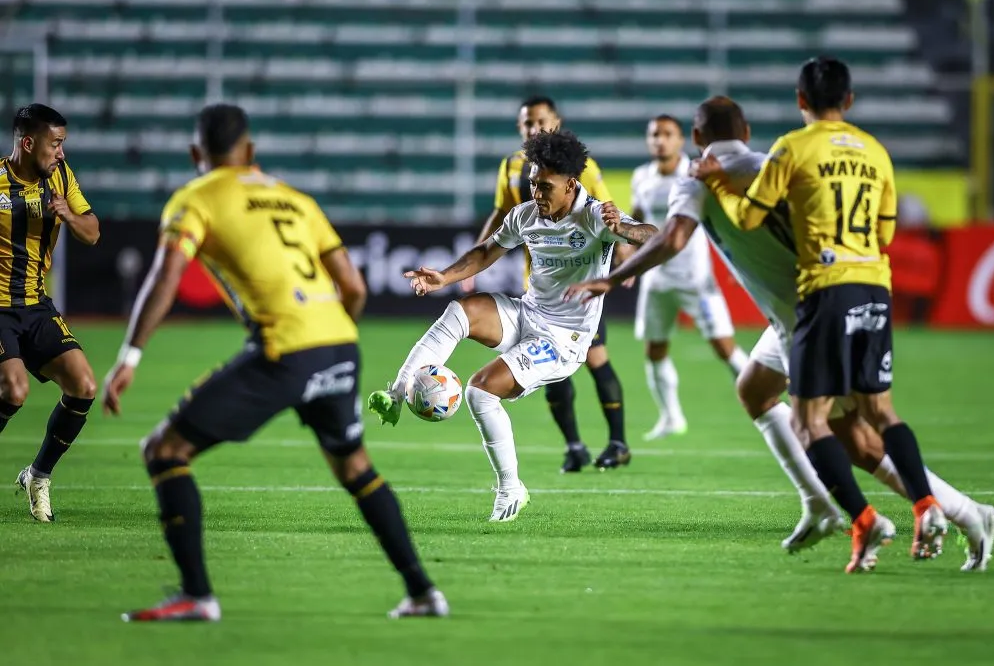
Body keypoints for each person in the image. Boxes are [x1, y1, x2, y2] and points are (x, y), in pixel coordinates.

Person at [566, 95, 994, 572]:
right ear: (747, 131)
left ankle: (961, 514)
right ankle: (822, 505)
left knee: (853, 438)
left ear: (695, 138)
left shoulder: (698, 178)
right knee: (753, 389)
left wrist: (612, 276)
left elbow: (673, 237)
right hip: (815, 303)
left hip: (809, 316)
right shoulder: (773, 163)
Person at [101, 104, 447, 621]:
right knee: (355, 467)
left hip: (284, 350)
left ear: (197, 153)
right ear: (252, 151)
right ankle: (423, 593)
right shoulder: (295, 199)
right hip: (338, 341)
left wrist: (129, 355)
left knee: (165, 450)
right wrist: (333, 342)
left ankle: (196, 595)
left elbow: (167, 275)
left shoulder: (196, 197)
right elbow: (352, 286)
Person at [690, 57, 952, 573]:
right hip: (876, 285)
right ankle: (927, 505)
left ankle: (860, 520)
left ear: (800, 100)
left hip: (825, 290)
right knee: (882, 411)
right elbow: (886, 235)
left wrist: (718, 182)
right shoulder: (875, 151)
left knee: (809, 421)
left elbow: (748, 216)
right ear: (849, 100)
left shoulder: (793, 147)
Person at [368, 130, 656, 522]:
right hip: (528, 312)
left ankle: (511, 489)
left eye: (545, 186)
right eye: (533, 184)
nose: (536, 193)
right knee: (461, 311)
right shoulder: (525, 214)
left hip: (563, 340)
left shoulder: (593, 215)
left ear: (571, 184)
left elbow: (655, 237)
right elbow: (487, 250)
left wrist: (625, 230)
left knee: (480, 391)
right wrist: (444, 277)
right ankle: (399, 391)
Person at [465, 96, 632, 472]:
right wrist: (475, 260)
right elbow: (500, 214)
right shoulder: (511, 166)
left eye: (541, 122)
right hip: (538, 286)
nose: (533, 129)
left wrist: (623, 261)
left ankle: (618, 441)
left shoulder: (580, 169)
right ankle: (573, 445)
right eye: (526, 123)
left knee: (595, 358)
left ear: (556, 122)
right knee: (546, 369)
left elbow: (607, 215)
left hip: (580, 288)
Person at [0, 104, 101, 522]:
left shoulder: (61, 178)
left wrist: (68, 214)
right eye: (54, 144)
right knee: (14, 391)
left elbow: (93, 232)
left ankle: (38, 475)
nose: (61, 152)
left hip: (37, 305)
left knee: (84, 384)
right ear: (28, 143)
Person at [629, 114, 747, 440]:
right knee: (654, 350)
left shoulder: (695, 173)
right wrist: (627, 258)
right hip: (655, 278)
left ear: (681, 140)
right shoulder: (641, 177)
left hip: (696, 280)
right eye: (654, 134)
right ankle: (671, 417)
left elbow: (722, 220)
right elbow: (636, 221)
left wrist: (738, 263)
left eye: (667, 134)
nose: (659, 140)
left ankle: (772, 398)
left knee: (724, 348)